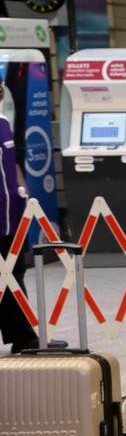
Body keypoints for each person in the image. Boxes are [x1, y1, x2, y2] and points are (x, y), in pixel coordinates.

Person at [0, 111, 35, 351]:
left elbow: (11, 162)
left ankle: (24, 338)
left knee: (15, 272)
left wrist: (23, 186)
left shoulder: (3, 122)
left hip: (11, 215)